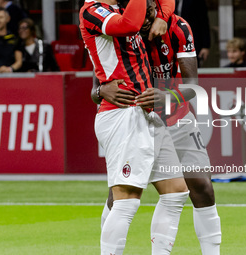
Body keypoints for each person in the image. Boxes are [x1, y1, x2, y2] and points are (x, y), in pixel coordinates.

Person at [92, 1, 221, 254]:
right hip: (135, 118)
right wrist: (101, 90)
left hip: (175, 115)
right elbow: (96, 90)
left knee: (201, 186)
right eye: (141, 14)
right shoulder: (117, 29)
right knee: (120, 196)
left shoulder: (178, 27)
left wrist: (169, 97)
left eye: (150, 11)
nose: (145, 19)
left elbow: (193, 86)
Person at [80, 0, 189, 254]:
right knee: (126, 200)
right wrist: (98, 90)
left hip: (146, 112)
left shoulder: (119, 7)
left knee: (175, 192)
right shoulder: (92, 10)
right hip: (123, 113)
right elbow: (129, 26)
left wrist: (162, 15)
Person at [175, 0, 211, 66]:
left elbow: (204, 22)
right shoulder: (171, 2)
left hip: (193, 40)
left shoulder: (196, 1)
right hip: (175, 41)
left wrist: (206, 45)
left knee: (191, 67)